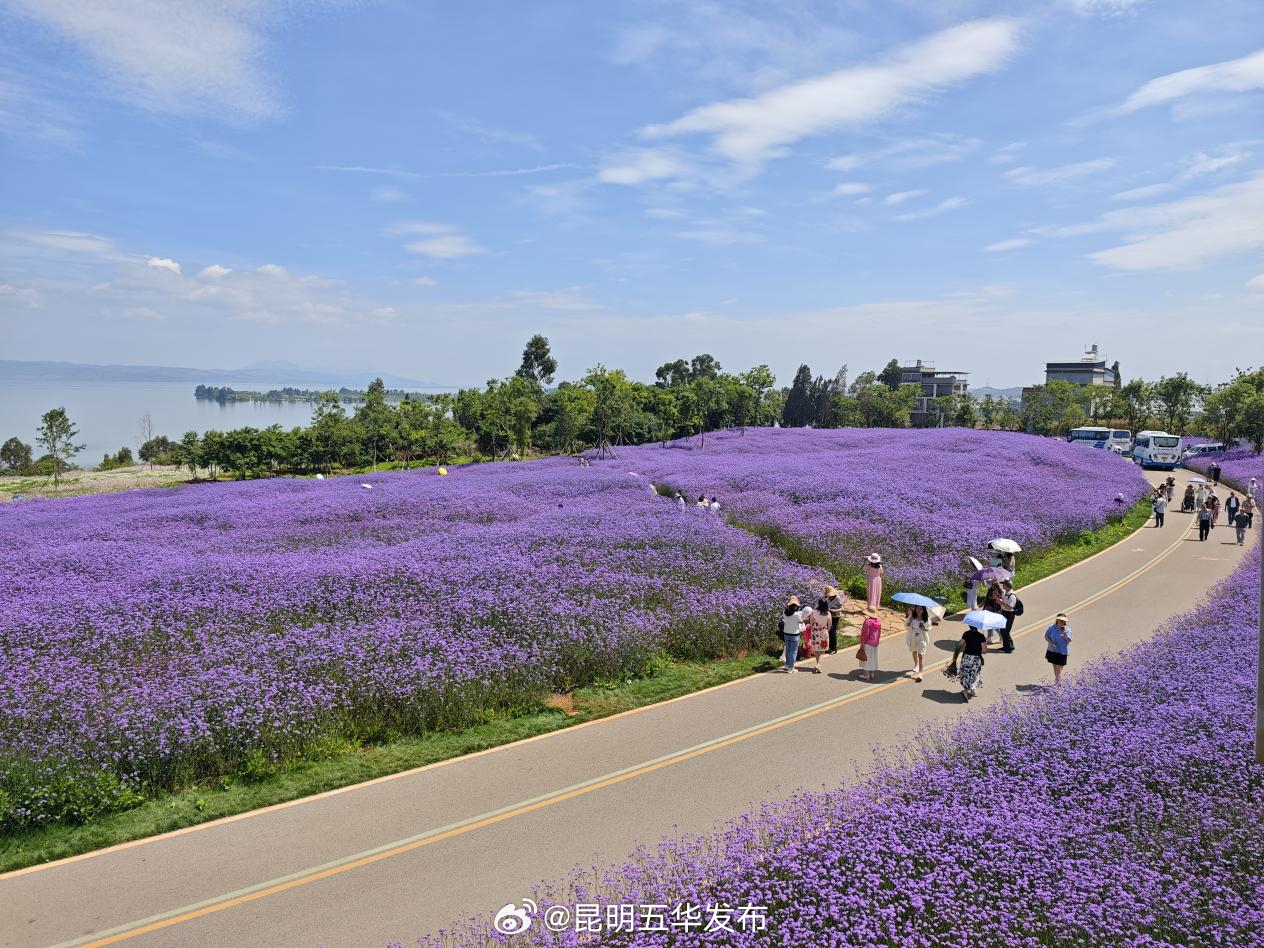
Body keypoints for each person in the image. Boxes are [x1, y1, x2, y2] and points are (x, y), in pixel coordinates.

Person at [778, 597, 809, 673]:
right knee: (793, 651)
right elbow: (801, 622)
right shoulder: (797, 614)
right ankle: (791, 668)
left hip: (786, 634)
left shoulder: (784, 612)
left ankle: (787, 665)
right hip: (794, 635)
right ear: (796, 606)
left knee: (788, 650)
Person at [957, 622, 987, 701]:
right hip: (976, 659)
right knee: (975, 673)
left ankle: (970, 689)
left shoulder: (966, 634)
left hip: (966, 657)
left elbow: (960, 644)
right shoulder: (981, 636)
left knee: (965, 673)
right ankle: (969, 690)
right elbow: (984, 650)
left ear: (969, 626)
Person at [801, 598, 831, 674]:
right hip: (824, 632)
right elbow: (830, 625)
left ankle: (818, 664)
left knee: (816, 649)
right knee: (822, 650)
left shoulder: (813, 612)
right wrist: (826, 630)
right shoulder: (828, 613)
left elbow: (811, 624)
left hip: (815, 632)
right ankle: (818, 665)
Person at [904, 605, 930, 682]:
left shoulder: (926, 618)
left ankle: (920, 674)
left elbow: (929, 628)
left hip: (922, 638)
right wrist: (910, 621)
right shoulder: (912, 617)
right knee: (914, 651)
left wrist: (924, 628)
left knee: (921, 654)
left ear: (923, 610)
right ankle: (916, 664)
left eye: (921, 609)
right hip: (913, 637)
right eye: (917, 608)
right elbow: (906, 626)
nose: (919, 610)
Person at [1044, 614, 1072, 685]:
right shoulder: (1051, 627)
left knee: (1059, 667)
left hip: (1062, 651)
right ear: (1057, 620)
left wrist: (1064, 633)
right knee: (1055, 665)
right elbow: (1046, 636)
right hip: (1053, 650)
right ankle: (1057, 681)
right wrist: (1051, 643)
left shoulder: (1067, 629)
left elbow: (1069, 640)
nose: (1062, 622)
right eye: (1061, 621)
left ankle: (1057, 680)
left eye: (1063, 621)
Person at [857, 610, 882, 682]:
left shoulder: (867, 622)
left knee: (866, 658)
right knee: (873, 657)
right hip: (875, 642)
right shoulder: (878, 621)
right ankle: (872, 673)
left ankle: (866, 675)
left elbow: (865, 633)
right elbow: (879, 633)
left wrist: (862, 643)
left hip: (868, 642)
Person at [825, 584, 846, 654]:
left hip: (835, 616)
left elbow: (841, 607)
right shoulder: (827, 598)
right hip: (829, 615)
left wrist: (835, 610)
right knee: (828, 631)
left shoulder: (837, 598)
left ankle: (834, 648)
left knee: (832, 632)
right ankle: (829, 647)